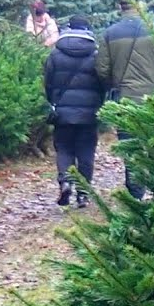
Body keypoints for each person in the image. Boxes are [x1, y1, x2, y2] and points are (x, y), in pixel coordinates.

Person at [97, 0, 154, 198]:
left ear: (120, 7)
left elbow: (101, 69)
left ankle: (136, 195)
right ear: (140, 5)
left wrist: (114, 84)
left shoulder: (110, 33)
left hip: (125, 100)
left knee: (131, 149)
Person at [44, 15, 105, 208]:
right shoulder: (96, 55)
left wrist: (53, 101)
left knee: (64, 149)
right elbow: (103, 82)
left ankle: (65, 181)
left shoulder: (55, 54)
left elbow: (47, 83)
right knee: (86, 152)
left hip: (62, 113)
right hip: (89, 114)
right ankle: (83, 194)